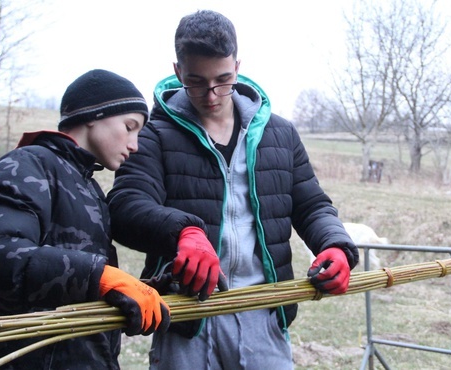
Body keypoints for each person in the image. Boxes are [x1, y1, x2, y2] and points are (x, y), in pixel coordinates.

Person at [106, 9, 359, 369]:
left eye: (223, 80)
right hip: (186, 315)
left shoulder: (279, 134)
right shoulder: (153, 135)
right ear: (178, 71)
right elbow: (125, 206)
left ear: (237, 67)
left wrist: (335, 245)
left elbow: (312, 205)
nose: (211, 95)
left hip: (264, 310)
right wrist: (183, 232)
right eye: (196, 81)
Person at [0, 69, 171, 369]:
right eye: (130, 126)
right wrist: (101, 277)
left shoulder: (88, 187)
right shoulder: (29, 164)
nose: (134, 145)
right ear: (95, 115)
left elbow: (74, 288)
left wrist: (148, 291)